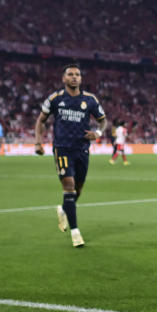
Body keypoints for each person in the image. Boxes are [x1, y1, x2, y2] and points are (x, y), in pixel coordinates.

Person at [35, 63, 107, 248]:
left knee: (78, 190)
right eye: (70, 74)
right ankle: (75, 232)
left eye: (77, 74)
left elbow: (103, 121)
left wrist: (98, 133)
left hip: (82, 150)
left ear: (81, 79)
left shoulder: (90, 100)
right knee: (69, 185)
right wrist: (38, 142)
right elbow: (40, 120)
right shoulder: (55, 98)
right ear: (64, 78)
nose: (74, 77)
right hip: (62, 148)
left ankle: (64, 209)